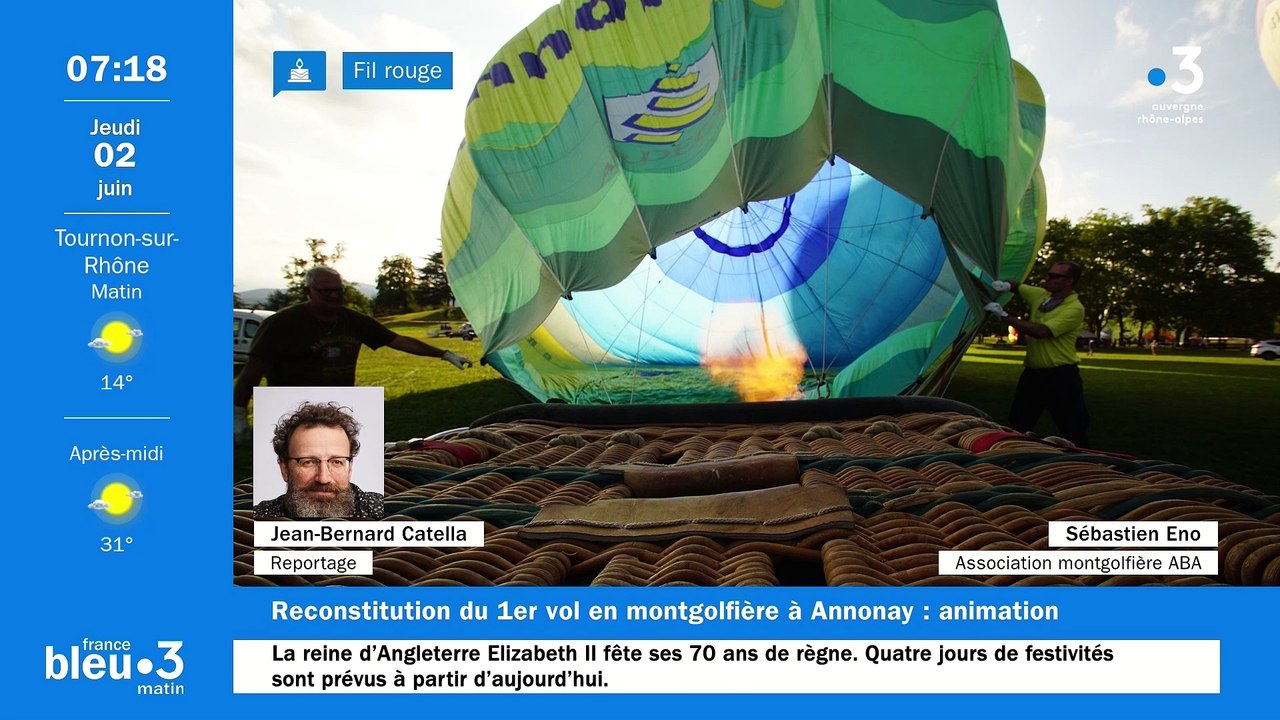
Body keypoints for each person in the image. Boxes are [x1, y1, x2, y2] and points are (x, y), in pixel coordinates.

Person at [234, 267, 472, 440]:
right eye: (326, 291)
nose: (334, 296)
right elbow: (250, 374)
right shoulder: (282, 324)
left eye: (339, 290)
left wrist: (444, 353)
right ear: (308, 291)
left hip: (337, 408)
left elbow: (399, 341)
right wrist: (239, 414)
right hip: (293, 410)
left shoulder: (355, 321)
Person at [984, 261, 1090, 447]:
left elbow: (1042, 332)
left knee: (1073, 427)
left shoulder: (1074, 308)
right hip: (1033, 374)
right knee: (1019, 422)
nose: (1046, 279)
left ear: (1069, 281)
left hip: (1061, 376)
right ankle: (1015, 457)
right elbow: (1018, 287)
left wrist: (1005, 316)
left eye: (1053, 276)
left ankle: (1086, 467)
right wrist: (1006, 285)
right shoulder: (1041, 296)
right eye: (1048, 274)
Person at [254, 401, 382, 519]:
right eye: (308, 462)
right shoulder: (259, 517)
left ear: (350, 468)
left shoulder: (378, 509)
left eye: (336, 462)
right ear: (284, 468)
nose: (323, 478)